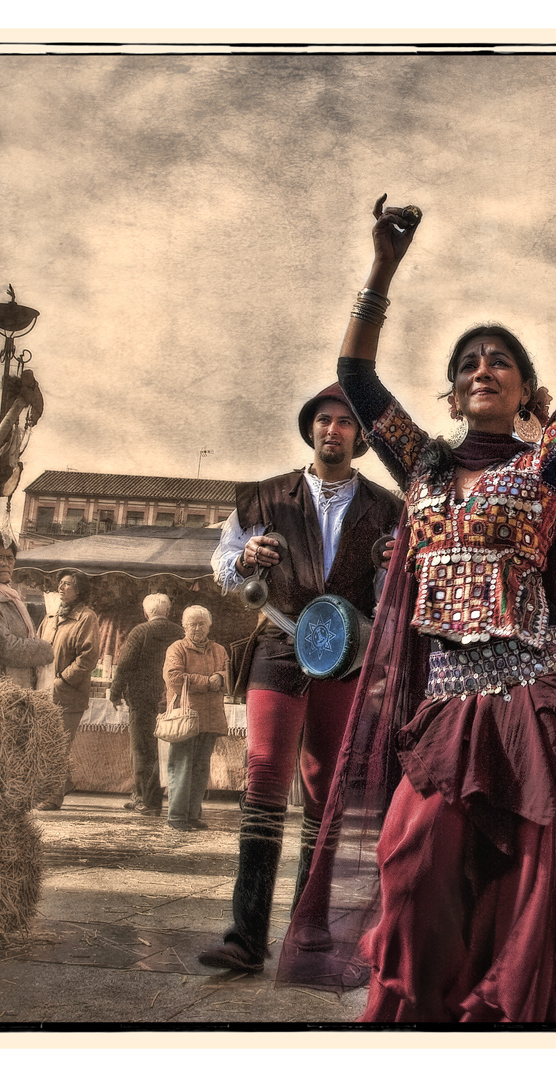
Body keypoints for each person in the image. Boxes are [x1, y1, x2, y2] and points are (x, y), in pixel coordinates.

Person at [328, 195, 556, 1022]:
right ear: (451, 389)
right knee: (414, 865)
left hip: (534, 701)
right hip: (444, 701)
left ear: (522, 387)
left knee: (522, 892)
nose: (482, 368)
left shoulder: (547, 465)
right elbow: (356, 378)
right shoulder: (422, 471)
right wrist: (382, 267)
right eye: (468, 360)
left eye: (500, 359)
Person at [197, 384, 402, 973]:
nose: (332, 429)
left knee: (324, 784)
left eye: (344, 422)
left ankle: (308, 923)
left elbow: (395, 595)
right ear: (310, 429)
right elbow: (223, 568)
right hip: (279, 645)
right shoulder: (263, 497)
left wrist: (393, 567)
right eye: (323, 420)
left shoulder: (389, 508)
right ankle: (245, 936)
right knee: (263, 772)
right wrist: (244, 558)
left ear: (360, 438)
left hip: (347, 653)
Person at [108, 593, 184, 817]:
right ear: (168, 611)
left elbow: (124, 665)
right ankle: (148, 796)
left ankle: (146, 800)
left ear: (146, 612)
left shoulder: (140, 631)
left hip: (141, 698)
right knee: (163, 750)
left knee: (142, 748)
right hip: (169, 697)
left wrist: (115, 692)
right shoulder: (179, 632)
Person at [161, 605, 231, 832]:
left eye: (202, 623)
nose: (197, 628)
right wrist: (207, 682)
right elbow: (173, 678)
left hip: (210, 718)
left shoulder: (219, 650)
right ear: (184, 626)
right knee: (181, 766)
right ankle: (177, 816)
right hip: (185, 717)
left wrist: (220, 677)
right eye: (192, 623)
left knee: (201, 768)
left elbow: (229, 673)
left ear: (210, 626)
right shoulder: (177, 648)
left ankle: (192, 814)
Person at [35, 570, 98, 810]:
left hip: (68, 694)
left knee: (58, 744)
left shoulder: (87, 617)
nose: (61, 588)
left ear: (80, 590)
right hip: (44, 690)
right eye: (60, 584)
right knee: (46, 742)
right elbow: (39, 644)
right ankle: (64, 783)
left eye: (68, 584)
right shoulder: (51, 616)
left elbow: (88, 657)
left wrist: (62, 681)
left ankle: (52, 796)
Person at [0, 534, 54, 689]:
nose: (5, 563)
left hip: (18, 684)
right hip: (2, 687)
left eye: (9, 558)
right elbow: (6, 648)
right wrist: (46, 648)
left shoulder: (9, 595)